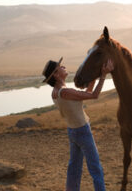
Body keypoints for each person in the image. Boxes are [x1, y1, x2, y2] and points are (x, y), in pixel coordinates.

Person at [42, 57, 114, 191]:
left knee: (74, 168)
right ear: (57, 75)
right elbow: (94, 95)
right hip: (82, 131)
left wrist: (95, 76)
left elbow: (86, 93)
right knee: (95, 168)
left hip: (73, 131)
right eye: (60, 67)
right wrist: (103, 76)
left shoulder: (56, 92)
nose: (64, 67)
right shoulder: (65, 91)